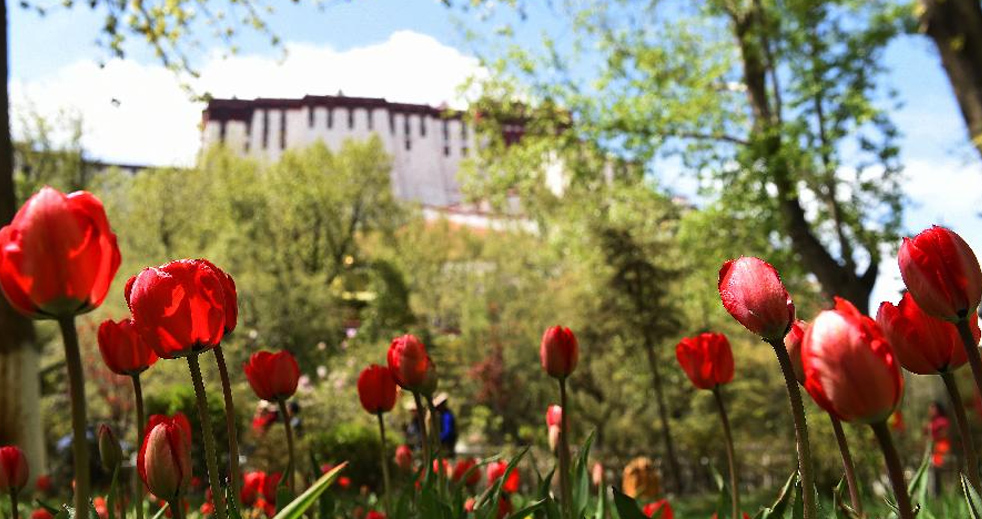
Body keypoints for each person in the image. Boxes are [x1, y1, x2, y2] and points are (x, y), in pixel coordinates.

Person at [927, 401, 951, 494]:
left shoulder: (942, 421)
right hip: (934, 449)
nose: (930, 410)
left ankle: (944, 492)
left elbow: (945, 433)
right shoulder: (932, 422)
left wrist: (934, 439)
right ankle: (936, 493)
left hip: (941, 447)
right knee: (934, 472)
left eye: (933, 408)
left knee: (941, 470)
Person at [434, 393, 458, 458]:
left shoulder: (447, 415)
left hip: (446, 446)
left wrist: (438, 439)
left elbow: (448, 432)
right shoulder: (441, 415)